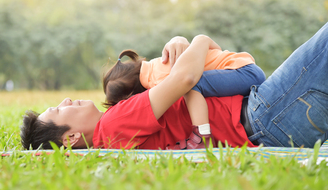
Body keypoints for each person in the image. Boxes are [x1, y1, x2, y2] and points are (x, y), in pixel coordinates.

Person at [20, 22, 328, 150]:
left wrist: (179, 43)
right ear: (71, 137)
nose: (66, 99)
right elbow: (184, 79)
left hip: (267, 122)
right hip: (265, 118)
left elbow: (163, 76)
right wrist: (200, 40)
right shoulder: (113, 124)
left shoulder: (115, 132)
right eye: (59, 109)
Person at [102, 46, 266, 149]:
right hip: (246, 70)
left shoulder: (159, 80)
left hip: (245, 75)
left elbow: (187, 80)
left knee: (192, 85)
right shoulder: (156, 66)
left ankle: (202, 136)